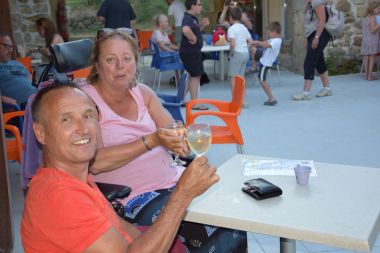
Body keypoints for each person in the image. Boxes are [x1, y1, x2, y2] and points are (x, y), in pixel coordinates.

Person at [82, 28, 247, 251]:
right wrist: (152, 140)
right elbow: (95, 162)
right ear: (98, 65)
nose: (120, 66)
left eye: (126, 58)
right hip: (133, 199)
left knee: (232, 218)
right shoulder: (85, 101)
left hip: (175, 182)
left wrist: (180, 140)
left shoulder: (143, 93)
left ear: (136, 61)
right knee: (206, 229)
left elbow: (174, 132)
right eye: (110, 59)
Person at [21, 81, 219, 252]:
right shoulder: (59, 195)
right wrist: (182, 194)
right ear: (40, 133)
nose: (83, 128)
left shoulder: (76, 180)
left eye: (88, 116)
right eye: (66, 119)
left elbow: (124, 228)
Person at [292, 0, 332, 101]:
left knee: (309, 62)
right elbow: (309, 25)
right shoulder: (309, 4)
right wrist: (307, 40)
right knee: (319, 62)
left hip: (320, 34)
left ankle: (305, 93)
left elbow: (322, 20)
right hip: (312, 35)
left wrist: (317, 37)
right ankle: (327, 89)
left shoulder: (317, 2)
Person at [179, 0, 210, 110]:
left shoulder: (192, 18)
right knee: (195, 76)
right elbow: (186, 30)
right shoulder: (188, 18)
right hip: (191, 52)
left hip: (190, 51)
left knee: (192, 76)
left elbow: (193, 31)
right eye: (199, 4)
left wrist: (201, 25)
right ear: (192, 6)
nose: (201, 7)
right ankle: (195, 103)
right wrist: (193, 38)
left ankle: (180, 99)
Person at [227, 7, 254, 107]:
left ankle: (235, 102)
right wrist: (246, 47)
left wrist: (231, 53)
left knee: (233, 78)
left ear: (231, 17)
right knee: (241, 79)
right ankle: (244, 101)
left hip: (236, 54)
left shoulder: (231, 28)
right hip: (245, 54)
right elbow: (251, 41)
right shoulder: (244, 27)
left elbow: (232, 44)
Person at [0, 32, 36, 107]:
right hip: (21, 107)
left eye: (11, 47)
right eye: (6, 46)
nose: (10, 50)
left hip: (39, 99)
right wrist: (2, 99)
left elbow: (33, 82)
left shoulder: (18, 64)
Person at [251, 22, 282, 106]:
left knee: (262, 80)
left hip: (266, 63)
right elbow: (265, 42)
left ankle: (272, 98)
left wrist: (259, 42)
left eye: (270, 31)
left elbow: (267, 45)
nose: (268, 32)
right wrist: (256, 42)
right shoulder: (273, 39)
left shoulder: (277, 41)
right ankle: (254, 67)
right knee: (252, 49)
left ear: (276, 32)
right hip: (263, 58)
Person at [360, 2, 380, 81]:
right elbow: (372, 30)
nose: (379, 10)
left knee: (366, 57)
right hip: (372, 39)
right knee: (371, 58)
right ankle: (369, 76)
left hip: (365, 39)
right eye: (378, 9)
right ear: (372, 9)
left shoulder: (365, 17)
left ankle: (366, 75)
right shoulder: (372, 18)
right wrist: (379, 24)